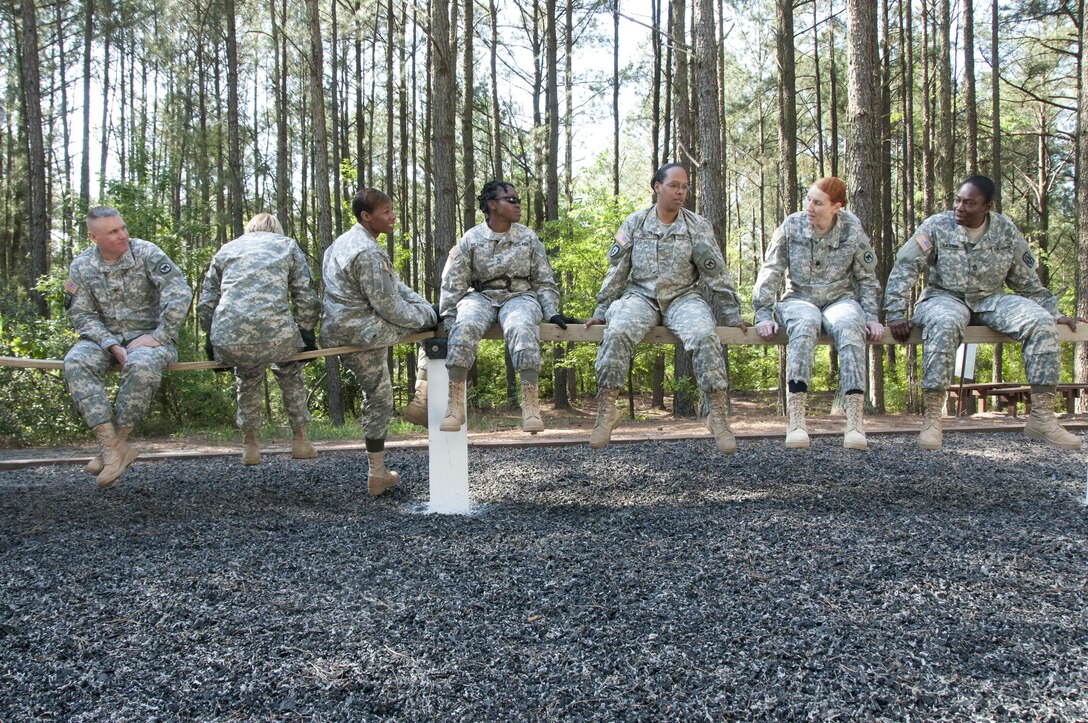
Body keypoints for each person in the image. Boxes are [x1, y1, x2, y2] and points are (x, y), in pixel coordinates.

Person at [885, 174, 1086, 450]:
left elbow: (1026, 282)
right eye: (957, 200)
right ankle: (932, 419)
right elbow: (905, 267)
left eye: (969, 203)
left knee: (1040, 322)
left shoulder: (1005, 231)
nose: (959, 207)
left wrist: (1053, 312)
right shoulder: (936, 227)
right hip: (944, 298)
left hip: (990, 299)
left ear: (987, 206)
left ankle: (1042, 418)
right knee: (945, 322)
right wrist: (895, 312)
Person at [584, 163, 747, 452]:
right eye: (674, 185)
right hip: (641, 296)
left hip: (683, 297)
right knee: (618, 328)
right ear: (657, 187)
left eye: (684, 186)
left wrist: (733, 314)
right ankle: (607, 410)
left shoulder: (697, 226)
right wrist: (600, 310)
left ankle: (718, 416)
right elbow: (617, 271)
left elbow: (715, 272)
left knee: (703, 334)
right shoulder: (635, 223)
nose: (681, 191)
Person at [63, 206, 192, 487]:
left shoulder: (146, 253)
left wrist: (160, 335)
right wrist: (110, 344)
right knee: (75, 361)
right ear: (94, 237)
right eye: (113, 231)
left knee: (142, 363)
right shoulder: (82, 266)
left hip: (149, 339)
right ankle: (110, 445)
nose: (122, 235)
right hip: (102, 340)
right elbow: (80, 315)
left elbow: (179, 291)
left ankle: (117, 445)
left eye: (123, 227)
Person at [752, 177, 884, 450]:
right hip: (799, 298)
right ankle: (797, 421)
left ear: (836, 206)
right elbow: (771, 270)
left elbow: (867, 279)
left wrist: (871, 315)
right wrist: (763, 314)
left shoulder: (852, 229)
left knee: (850, 323)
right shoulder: (792, 225)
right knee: (806, 322)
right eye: (808, 199)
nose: (809, 207)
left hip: (840, 298)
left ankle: (855, 423)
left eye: (818, 202)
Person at [322, 188, 437, 495]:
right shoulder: (370, 252)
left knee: (376, 392)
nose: (393, 217)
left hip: (338, 326)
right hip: (363, 330)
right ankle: (423, 400)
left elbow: (396, 287)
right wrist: (428, 318)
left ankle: (377, 472)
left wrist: (425, 307)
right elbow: (389, 306)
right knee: (432, 334)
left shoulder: (341, 244)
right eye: (386, 213)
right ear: (366, 216)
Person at [438, 180, 571, 434]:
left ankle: (530, 406)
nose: (517, 204)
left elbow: (544, 280)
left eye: (518, 200)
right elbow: (453, 279)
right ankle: (455, 404)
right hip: (482, 296)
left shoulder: (527, 237)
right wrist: (447, 313)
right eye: (511, 200)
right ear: (492, 205)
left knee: (521, 326)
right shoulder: (472, 238)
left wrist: (551, 310)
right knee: (463, 325)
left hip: (519, 296)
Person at [197, 213, 321, 466]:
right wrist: (307, 334)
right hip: (277, 334)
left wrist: (212, 342)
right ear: (276, 229)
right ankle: (300, 440)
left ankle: (250, 446)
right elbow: (305, 295)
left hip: (230, 335)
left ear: (249, 229)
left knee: (248, 377)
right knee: (289, 370)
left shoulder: (227, 249)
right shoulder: (286, 245)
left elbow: (207, 301)